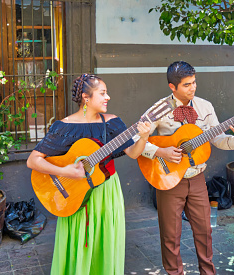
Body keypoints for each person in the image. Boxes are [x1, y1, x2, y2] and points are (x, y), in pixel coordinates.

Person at [27, 74, 151, 275]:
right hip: (74, 195)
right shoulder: (64, 127)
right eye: (102, 93)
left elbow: (134, 153)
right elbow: (33, 160)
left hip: (106, 192)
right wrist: (64, 171)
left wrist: (144, 136)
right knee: (79, 242)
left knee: (105, 240)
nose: (108, 97)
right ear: (86, 97)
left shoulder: (112, 123)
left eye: (107, 93)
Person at [140, 61, 234, 275]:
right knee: (170, 235)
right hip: (168, 178)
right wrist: (161, 152)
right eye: (187, 84)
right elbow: (136, 138)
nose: (193, 88)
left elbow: (217, 138)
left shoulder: (205, 107)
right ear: (173, 87)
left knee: (204, 231)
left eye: (194, 82)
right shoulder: (159, 108)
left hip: (197, 177)